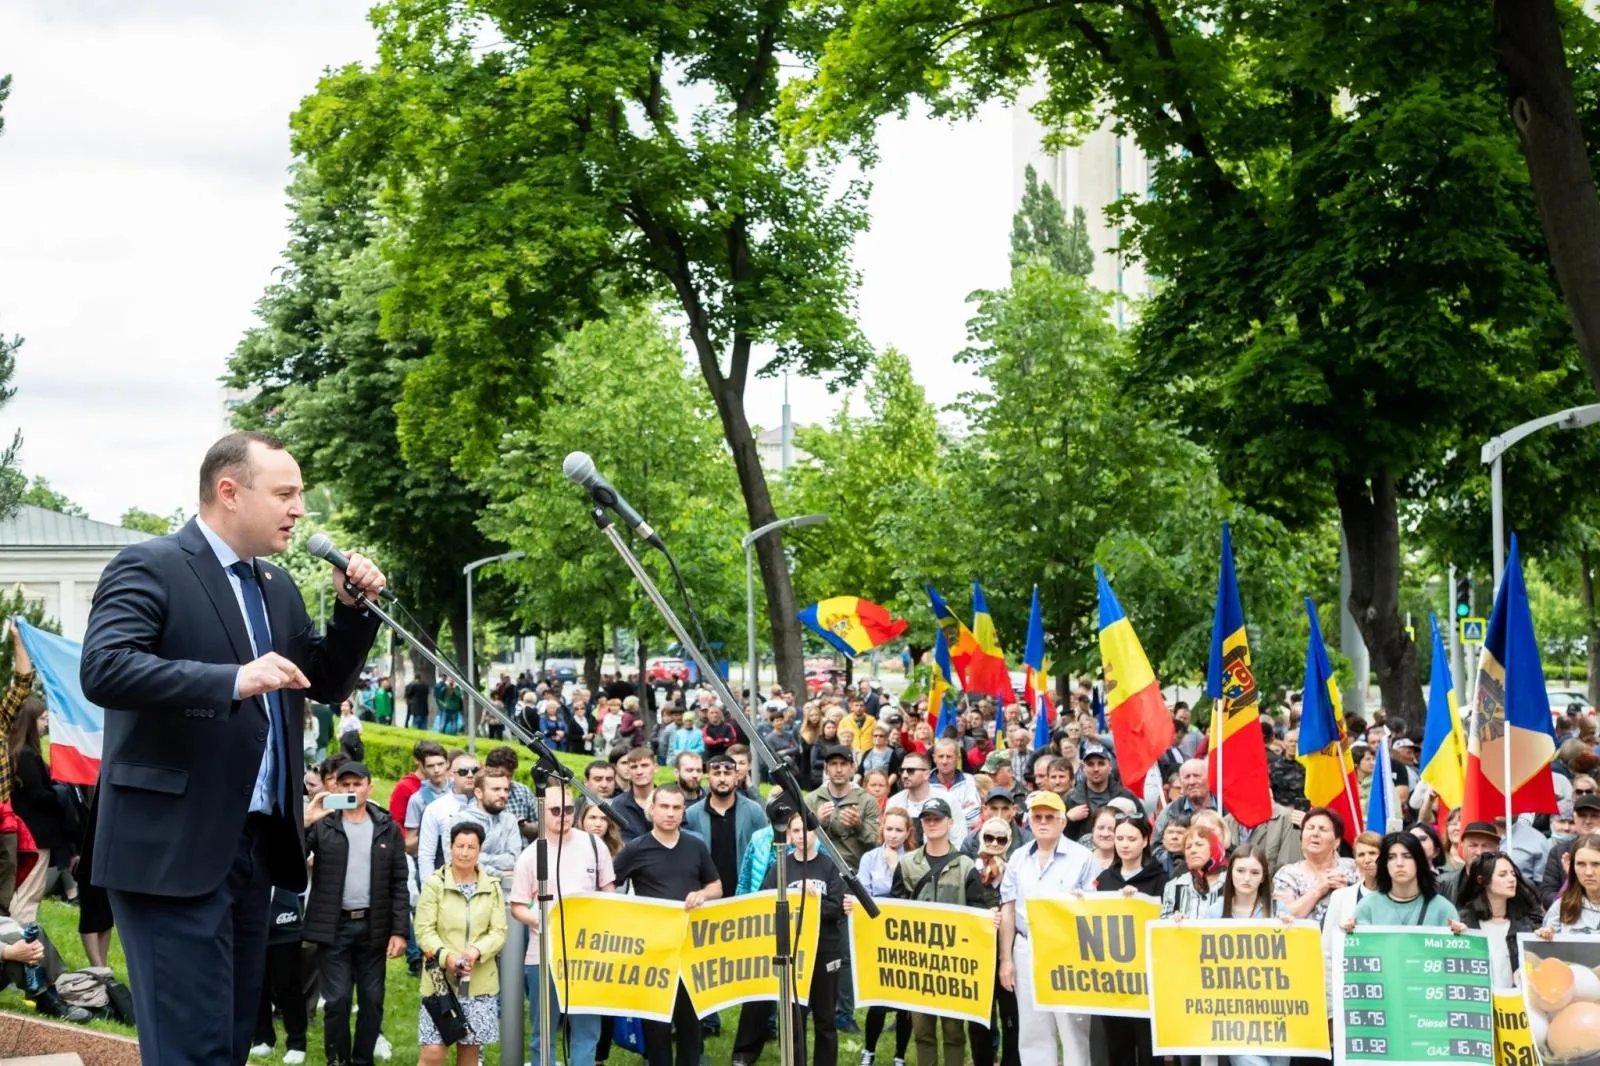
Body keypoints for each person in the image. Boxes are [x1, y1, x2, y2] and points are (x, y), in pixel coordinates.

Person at [79, 431, 384, 1066]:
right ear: (229, 492)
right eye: (286, 493)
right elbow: (104, 668)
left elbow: (323, 681)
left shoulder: (274, 584)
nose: (300, 508)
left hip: (253, 850)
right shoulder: (151, 564)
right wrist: (230, 679)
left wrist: (352, 611)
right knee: (191, 1049)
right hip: (170, 849)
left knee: (230, 1043)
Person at [303, 761, 409, 1066]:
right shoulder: (325, 823)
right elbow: (290, 858)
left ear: (369, 787)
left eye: (357, 784)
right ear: (335, 788)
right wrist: (307, 821)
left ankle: (363, 1060)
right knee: (336, 1001)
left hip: (373, 928)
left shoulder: (386, 826)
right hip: (334, 927)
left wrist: (400, 931)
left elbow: (398, 882)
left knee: (372, 1001)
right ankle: (337, 1059)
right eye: (345, 785)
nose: (351, 790)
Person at [733, 809, 853, 1066]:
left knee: (825, 1019)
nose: (801, 836)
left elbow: (836, 909)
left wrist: (812, 901)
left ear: (815, 833)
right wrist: (796, 898)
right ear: (788, 835)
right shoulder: (781, 867)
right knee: (794, 1019)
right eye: (795, 831)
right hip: (792, 954)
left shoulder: (829, 865)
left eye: (806, 830)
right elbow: (766, 905)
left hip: (824, 950)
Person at [613, 785, 723, 1066]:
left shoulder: (695, 844)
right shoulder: (636, 848)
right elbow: (607, 885)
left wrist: (703, 894)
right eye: (664, 806)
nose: (670, 813)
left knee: (690, 1020)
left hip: (690, 947)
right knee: (657, 1024)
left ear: (683, 811)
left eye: (676, 807)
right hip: (652, 952)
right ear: (651, 809)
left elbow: (716, 886)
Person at [510, 780, 616, 1066]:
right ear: (542, 812)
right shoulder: (530, 855)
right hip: (543, 955)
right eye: (556, 810)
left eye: (569, 809)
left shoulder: (594, 845)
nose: (564, 815)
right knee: (543, 1032)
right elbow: (517, 905)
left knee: (587, 1029)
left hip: (587, 953)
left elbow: (609, 891)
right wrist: (540, 922)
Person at [998, 791, 1098, 1066]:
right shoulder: (1018, 857)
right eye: (1037, 817)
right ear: (1028, 821)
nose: (1043, 822)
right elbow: (1007, 908)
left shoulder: (1082, 857)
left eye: (1050, 817)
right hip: (1026, 946)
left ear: (1063, 822)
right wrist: (1005, 959)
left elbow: (1094, 907)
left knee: (1073, 1029)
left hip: (1067, 951)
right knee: (1032, 1029)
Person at [893, 797, 988, 1066]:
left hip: (954, 963)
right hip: (918, 961)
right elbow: (894, 909)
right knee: (922, 1030)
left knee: (954, 1030)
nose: (932, 823)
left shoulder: (966, 865)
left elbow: (977, 909)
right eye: (927, 819)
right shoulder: (908, 864)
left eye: (937, 818)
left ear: (950, 822)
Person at [416, 821, 508, 1065]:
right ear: (450, 847)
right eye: (460, 846)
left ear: (479, 850)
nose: (465, 852)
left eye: (471, 847)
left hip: (479, 982)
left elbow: (499, 931)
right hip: (441, 983)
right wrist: (448, 957)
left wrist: (476, 951)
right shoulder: (435, 884)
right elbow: (424, 930)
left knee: (470, 1053)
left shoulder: (492, 887)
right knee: (433, 1052)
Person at [1092, 814, 1164, 1066]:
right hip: (1114, 980)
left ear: (1145, 841)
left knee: (1148, 1049)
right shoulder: (1105, 879)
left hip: (1146, 981)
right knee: (1117, 1047)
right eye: (1119, 838)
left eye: (1131, 838)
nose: (1124, 844)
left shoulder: (1159, 879)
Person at [858, 809, 916, 1066]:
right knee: (878, 997)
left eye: (899, 830)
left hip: (906, 936)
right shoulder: (869, 857)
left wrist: (896, 866)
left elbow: (913, 895)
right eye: (889, 829)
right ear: (882, 829)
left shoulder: (914, 860)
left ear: (908, 833)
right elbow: (864, 892)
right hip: (878, 934)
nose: (893, 835)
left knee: (904, 1000)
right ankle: (869, 1050)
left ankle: (900, 1056)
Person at [8, 686, 66, 925]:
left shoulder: (11, 754)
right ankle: (19, 946)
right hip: (35, 836)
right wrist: (61, 793)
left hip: (19, 833)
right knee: (28, 895)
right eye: (42, 719)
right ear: (30, 722)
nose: (46, 725)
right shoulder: (27, 756)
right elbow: (38, 796)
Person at [683, 753, 767, 900]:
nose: (722, 779)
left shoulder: (754, 811)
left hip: (745, 898)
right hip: (705, 899)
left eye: (727, 773)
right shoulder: (691, 815)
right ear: (708, 778)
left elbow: (765, 855)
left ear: (736, 777)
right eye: (716, 773)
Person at [1344, 831, 1464, 930]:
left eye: (1407, 856)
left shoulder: (1443, 909)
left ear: (1419, 861)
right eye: (1391, 857)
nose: (1399, 864)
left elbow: (1455, 954)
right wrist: (1348, 935)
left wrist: (1460, 938)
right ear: (1384, 864)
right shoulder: (1367, 906)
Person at [1457, 851, 1543, 988]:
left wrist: (1543, 939)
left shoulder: (1527, 925)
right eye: (1502, 875)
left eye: (1513, 874)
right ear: (1481, 880)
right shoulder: (1463, 923)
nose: (1511, 879)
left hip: (1513, 1005)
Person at [1272, 807, 1357, 925]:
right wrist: (1318, 890)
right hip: (1303, 941)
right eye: (1310, 828)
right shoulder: (1287, 874)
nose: (1315, 833)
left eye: (1323, 829)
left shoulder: (1353, 868)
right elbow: (1284, 916)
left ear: (1337, 841)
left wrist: (1345, 893)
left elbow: (1367, 911)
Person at [807, 744, 882, 873]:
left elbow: (876, 842)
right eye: (833, 764)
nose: (839, 769)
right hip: (817, 871)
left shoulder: (867, 801)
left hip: (855, 871)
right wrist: (816, 824)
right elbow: (796, 841)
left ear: (853, 768)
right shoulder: (810, 800)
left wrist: (859, 826)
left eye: (844, 764)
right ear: (826, 768)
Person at [446, 766, 523, 884]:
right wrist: (500, 874)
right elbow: (457, 862)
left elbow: (514, 860)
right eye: (496, 789)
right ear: (479, 793)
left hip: (503, 894)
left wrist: (479, 857)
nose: (503, 794)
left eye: (506, 789)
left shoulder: (510, 820)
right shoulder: (460, 820)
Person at [418, 751, 480, 881]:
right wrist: (428, 890)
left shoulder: (488, 806)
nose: (470, 775)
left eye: (475, 771)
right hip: (447, 883)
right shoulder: (435, 809)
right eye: (463, 771)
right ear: (451, 776)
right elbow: (426, 856)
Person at [1159, 823, 1226, 918]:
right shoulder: (1174, 886)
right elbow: (1162, 925)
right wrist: (1173, 921)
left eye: (1199, 845)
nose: (1193, 850)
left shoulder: (1232, 883)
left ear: (1214, 848)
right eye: (1188, 847)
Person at [1540, 832, 1600, 934]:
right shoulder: (1562, 906)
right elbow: (1541, 948)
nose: (1588, 872)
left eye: (1596, 864)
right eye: (1581, 864)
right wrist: (1544, 937)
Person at [611, 746, 659, 841]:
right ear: (629, 771)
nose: (639, 772)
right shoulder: (618, 805)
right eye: (634, 767)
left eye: (645, 765)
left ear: (655, 768)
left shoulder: (669, 800)